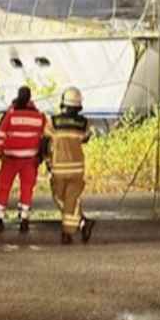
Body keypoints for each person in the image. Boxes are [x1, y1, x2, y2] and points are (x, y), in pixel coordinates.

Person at [0, 86, 46, 233]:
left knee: (3, 186)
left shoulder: (11, 115)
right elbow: (44, 138)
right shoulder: (39, 116)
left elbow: (0, 135)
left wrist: (0, 154)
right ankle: (24, 218)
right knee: (27, 188)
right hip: (30, 159)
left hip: (10, 158)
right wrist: (39, 157)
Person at [44, 87, 96, 244]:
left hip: (59, 167)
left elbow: (45, 143)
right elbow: (85, 138)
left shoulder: (52, 122)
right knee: (71, 199)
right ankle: (81, 224)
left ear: (63, 102)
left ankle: (69, 232)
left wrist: (47, 160)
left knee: (60, 197)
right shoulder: (84, 123)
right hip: (77, 169)